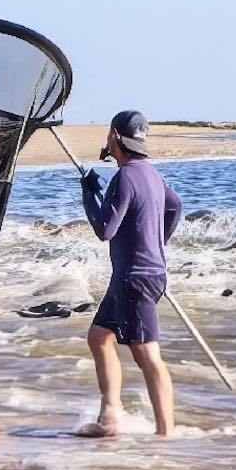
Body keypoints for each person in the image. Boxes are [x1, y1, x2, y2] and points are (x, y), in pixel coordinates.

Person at [76, 110, 182, 438]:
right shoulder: (151, 174)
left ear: (115, 138)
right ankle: (111, 413)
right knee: (99, 337)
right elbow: (175, 207)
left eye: (109, 133)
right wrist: (157, 241)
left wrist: (88, 194)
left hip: (134, 279)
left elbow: (105, 229)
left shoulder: (124, 178)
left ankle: (166, 433)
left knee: (147, 353)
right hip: (140, 275)